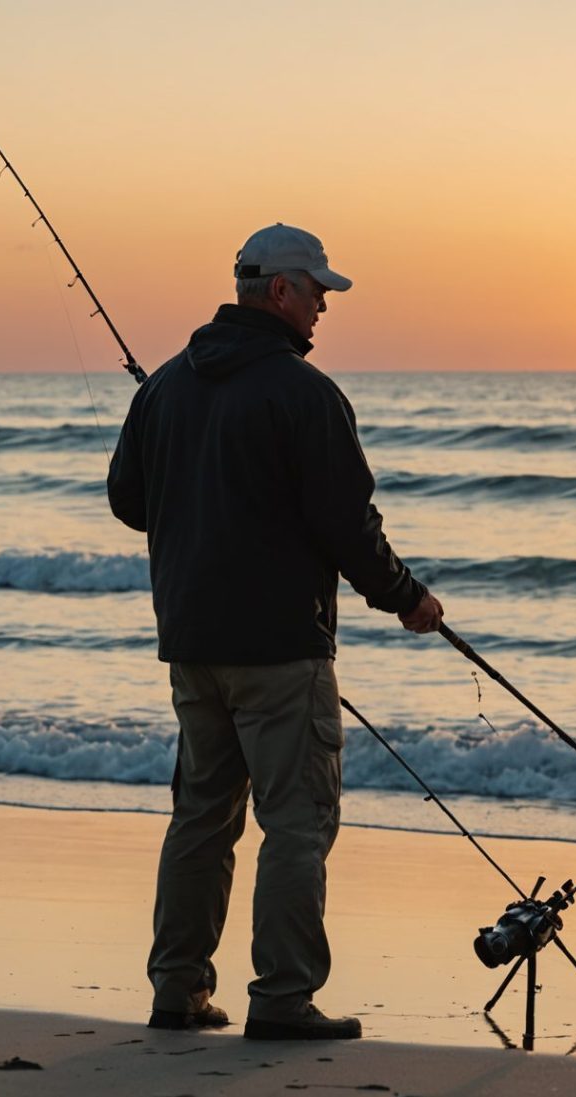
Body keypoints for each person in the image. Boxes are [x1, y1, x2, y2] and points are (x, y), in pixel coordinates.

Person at [107, 223, 443, 1041]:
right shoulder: (305, 393)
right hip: (281, 651)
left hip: (193, 644)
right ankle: (284, 998)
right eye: (318, 290)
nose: (325, 306)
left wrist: (201, 503)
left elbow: (128, 500)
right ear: (282, 291)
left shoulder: (165, 388)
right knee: (298, 821)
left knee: (203, 817)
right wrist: (407, 597)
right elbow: (347, 525)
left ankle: (178, 989)